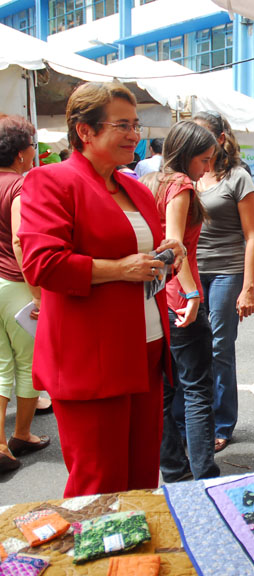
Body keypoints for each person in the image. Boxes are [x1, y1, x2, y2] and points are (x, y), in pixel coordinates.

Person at [19, 82, 184, 496]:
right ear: (85, 131)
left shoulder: (133, 187)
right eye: (123, 125)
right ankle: (96, 559)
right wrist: (118, 269)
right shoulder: (50, 181)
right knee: (99, 483)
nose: (135, 134)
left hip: (145, 348)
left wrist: (168, 254)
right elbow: (42, 263)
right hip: (91, 356)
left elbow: (143, 254)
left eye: (136, 124)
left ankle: (136, 560)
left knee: (142, 478)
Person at [148, 120, 221, 483]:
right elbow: (173, 249)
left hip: (154, 299)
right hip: (179, 298)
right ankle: (203, 475)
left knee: (164, 392)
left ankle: (176, 472)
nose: (207, 168)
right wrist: (193, 295)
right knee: (196, 390)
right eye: (204, 159)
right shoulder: (180, 185)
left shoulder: (148, 180)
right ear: (187, 153)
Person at [193, 111, 254, 453]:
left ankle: (222, 422)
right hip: (191, 269)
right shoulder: (187, 176)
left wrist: (248, 288)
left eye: (203, 135)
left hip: (226, 271)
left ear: (221, 139)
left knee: (219, 345)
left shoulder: (237, 177)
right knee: (191, 344)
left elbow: (252, 236)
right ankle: (196, 418)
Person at [0, 115, 49, 474]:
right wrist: (37, 293)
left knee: (0, 364)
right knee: (28, 363)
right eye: (32, 147)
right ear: (20, 153)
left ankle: (0, 443)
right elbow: (21, 239)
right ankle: (21, 434)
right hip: (16, 284)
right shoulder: (19, 186)